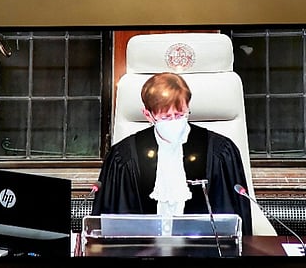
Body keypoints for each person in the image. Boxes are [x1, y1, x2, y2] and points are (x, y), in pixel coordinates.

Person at [91, 72, 253, 234]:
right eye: (166, 117)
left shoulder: (220, 151)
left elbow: (234, 223)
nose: (174, 121)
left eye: (180, 114)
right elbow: (113, 225)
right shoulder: (123, 156)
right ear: (148, 115)